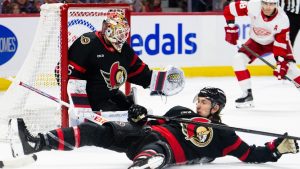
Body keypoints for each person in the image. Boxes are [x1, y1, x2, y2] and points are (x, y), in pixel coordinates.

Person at [11, 87, 299, 169]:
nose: (199, 105)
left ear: (217, 109)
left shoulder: (224, 135)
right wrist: (137, 116)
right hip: (143, 135)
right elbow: (145, 123)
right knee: (94, 130)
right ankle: (37, 142)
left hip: (163, 150)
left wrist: (276, 149)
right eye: (198, 100)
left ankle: (142, 165)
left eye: (206, 103)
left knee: (154, 155)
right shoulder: (179, 112)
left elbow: (251, 154)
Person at [55, 9, 185, 112]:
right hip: (92, 102)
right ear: (109, 29)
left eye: (124, 33)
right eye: (119, 32)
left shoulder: (124, 49)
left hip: (111, 96)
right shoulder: (88, 43)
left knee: (137, 112)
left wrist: (160, 82)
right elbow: (63, 73)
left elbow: (138, 71)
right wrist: (80, 106)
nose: (122, 37)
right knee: (126, 118)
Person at [223, 0, 300, 108]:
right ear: (261, 2)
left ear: (276, 4)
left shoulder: (283, 19)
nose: (268, 7)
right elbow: (228, 9)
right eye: (265, 3)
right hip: (256, 42)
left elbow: (281, 44)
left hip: (274, 43)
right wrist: (230, 27)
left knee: (291, 69)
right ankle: (247, 95)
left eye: (272, 4)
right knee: (238, 59)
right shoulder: (252, 5)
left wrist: (281, 62)